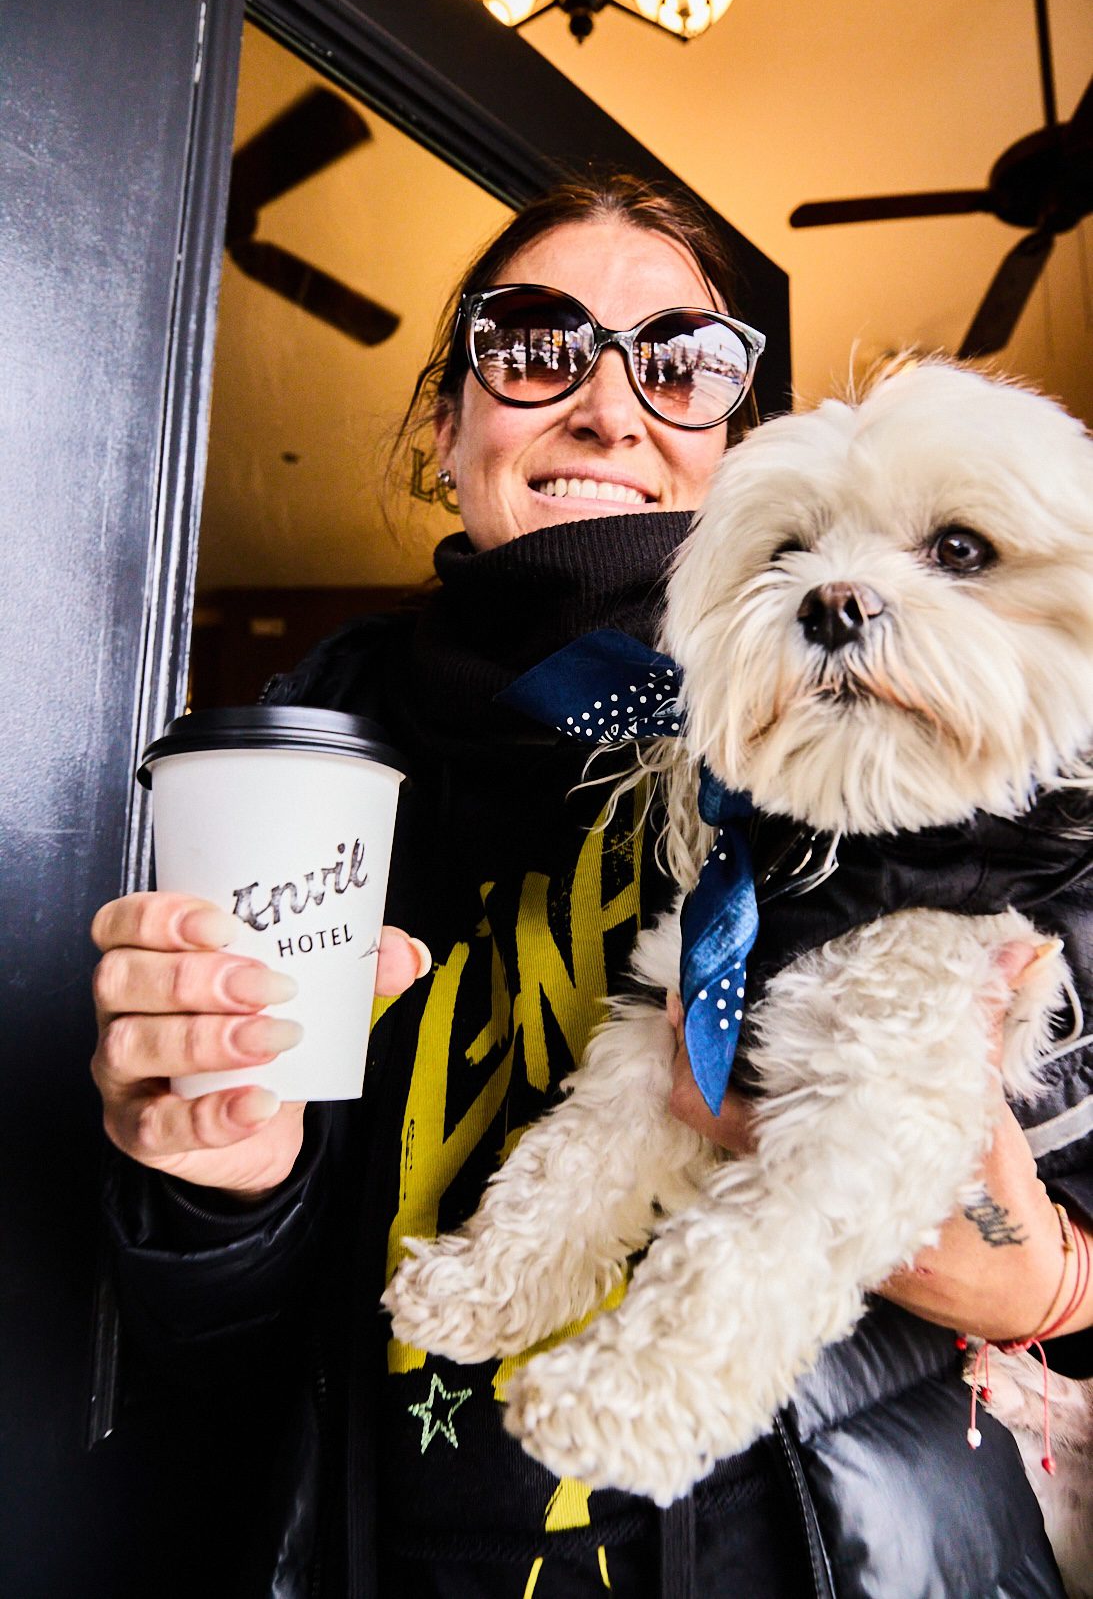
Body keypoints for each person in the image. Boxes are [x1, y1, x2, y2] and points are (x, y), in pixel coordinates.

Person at [91, 174, 1092, 1598]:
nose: (610, 408)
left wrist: (1050, 1275)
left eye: (679, 362)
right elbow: (216, 1356)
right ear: (445, 427)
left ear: (735, 445)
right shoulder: (302, 771)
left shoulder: (992, 778)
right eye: (535, 343)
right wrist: (213, 1189)